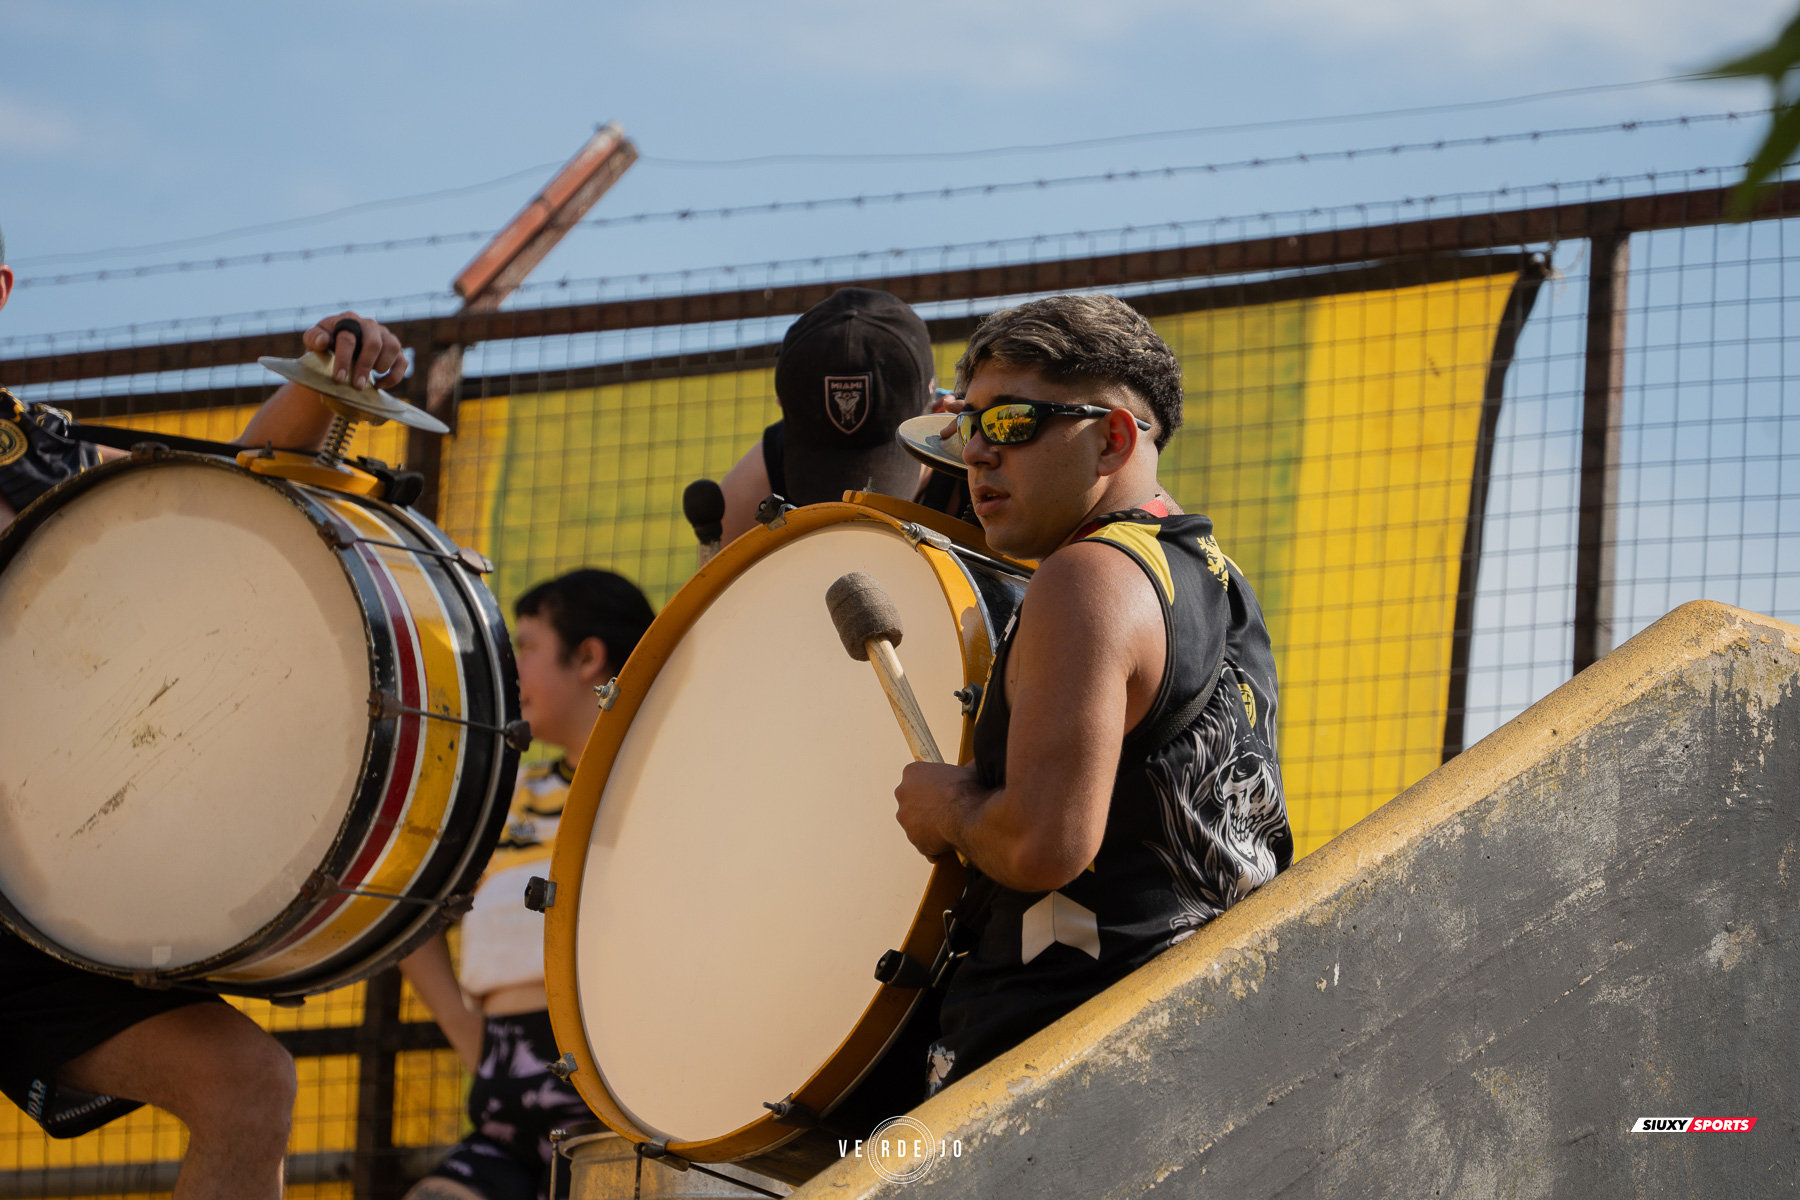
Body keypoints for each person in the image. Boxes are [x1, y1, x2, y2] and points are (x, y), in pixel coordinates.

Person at [0, 222, 414, 1199]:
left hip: (32, 887)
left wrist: (324, 381)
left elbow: (208, 508)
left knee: (246, 1086)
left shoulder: (37, 446)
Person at [889, 294, 1293, 1095]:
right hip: (1202, 1049)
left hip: (1057, 1068)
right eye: (967, 425)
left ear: (1112, 438)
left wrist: (948, 809)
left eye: (1009, 423)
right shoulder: (1214, 580)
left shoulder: (1089, 578)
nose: (975, 454)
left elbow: (1047, 842)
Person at [399, 569, 655, 1200]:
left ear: (588, 658)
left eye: (528, 647)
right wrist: (474, 1041)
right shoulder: (505, 799)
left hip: (623, 1119)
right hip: (504, 1110)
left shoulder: (657, 794)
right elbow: (409, 913)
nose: (510, 671)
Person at [715, 287, 965, 544]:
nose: (854, 504)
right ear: (783, 406)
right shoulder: (749, 490)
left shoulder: (977, 466)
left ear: (938, 410)